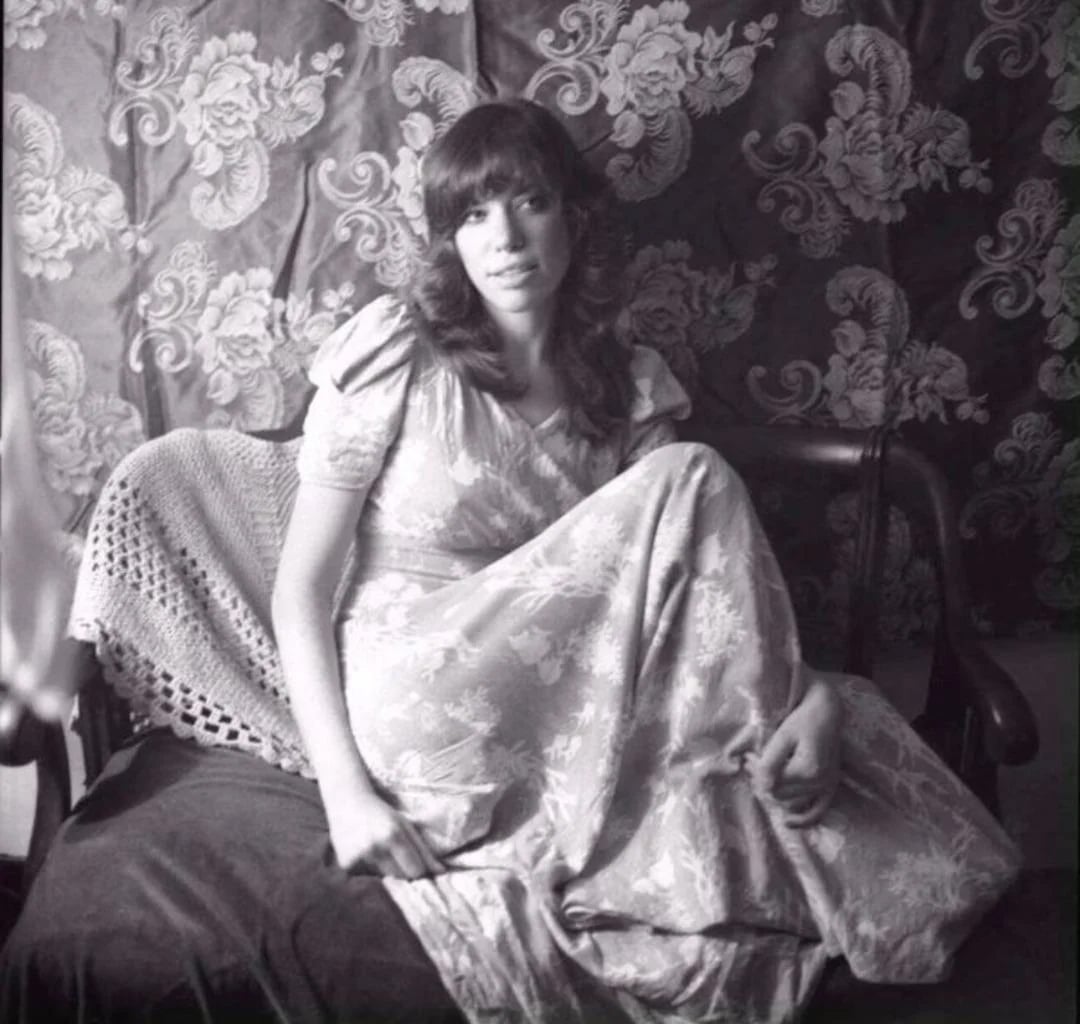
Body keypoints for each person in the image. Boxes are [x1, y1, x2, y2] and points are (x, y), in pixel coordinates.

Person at [1, 99, 1018, 1024]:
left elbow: (697, 587)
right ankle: (767, 732)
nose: (506, 239)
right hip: (421, 698)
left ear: (575, 215)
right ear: (449, 238)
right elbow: (300, 591)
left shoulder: (628, 385)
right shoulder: (397, 353)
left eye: (529, 202)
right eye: (474, 215)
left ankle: (788, 739)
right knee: (697, 478)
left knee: (752, 640)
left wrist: (814, 699)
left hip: (556, 710)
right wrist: (347, 797)